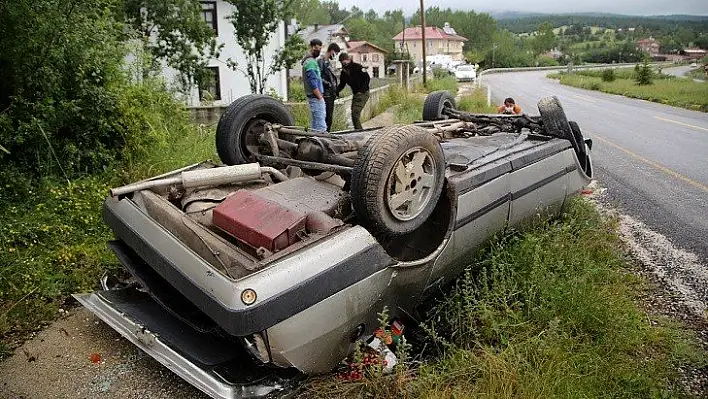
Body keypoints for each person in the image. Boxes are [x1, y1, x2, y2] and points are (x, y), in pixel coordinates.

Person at [337, 53, 371, 130]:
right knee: (354, 114)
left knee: (355, 113)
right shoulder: (344, 73)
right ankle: (358, 130)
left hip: (363, 93)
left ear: (348, 59)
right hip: (356, 94)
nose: (343, 63)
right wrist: (336, 91)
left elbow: (367, 78)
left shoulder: (358, 67)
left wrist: (361, 91)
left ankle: (360, 132)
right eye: (341, 62)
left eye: (344, 61)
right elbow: (342, 84)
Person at [301, 39, 326, 132]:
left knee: (315, 126)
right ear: (311, 47)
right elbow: (312, 81)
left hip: (314, 97)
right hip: (315, 97)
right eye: (316, 48)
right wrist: (319, 96)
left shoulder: (309, 61)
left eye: (319, 48)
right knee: (320, 127)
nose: (318, 50)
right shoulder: (311, 62)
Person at [318, 43, 340, 132]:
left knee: (329, 117)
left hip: (331, 94)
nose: (336, 56)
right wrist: (327, 84)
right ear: (332, 51)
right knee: (326, 117)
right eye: (336, 53)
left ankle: (327, 133)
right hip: (325, 94)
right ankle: (324, 134)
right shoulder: (321, 61)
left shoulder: (328, 63)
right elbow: (318, 77)